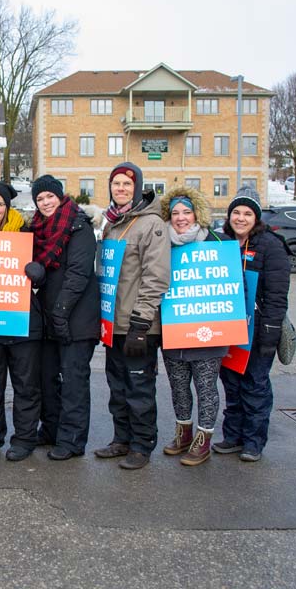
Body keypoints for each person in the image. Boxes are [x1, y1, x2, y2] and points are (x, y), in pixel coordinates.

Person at [93, 162, 170, 470]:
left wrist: (141, 323)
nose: (121, 189)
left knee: (139, 389)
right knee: (118, 387)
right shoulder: (113, 222)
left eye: (127, 184)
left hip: (139, 325)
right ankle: (121, 439)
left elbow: (156, 276)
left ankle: (141, 445)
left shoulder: (151, 224)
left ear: (137, 188)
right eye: (116, 184)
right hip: (115, 324)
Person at [0, 182, 45, 461]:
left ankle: (24, 438)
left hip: (22, 320)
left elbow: (43, 274)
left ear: (7, 206)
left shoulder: (25, 233)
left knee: (26, 385)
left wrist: (37, 273)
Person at [216, 187, 290, 462]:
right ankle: (233, 437)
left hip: (258, 330)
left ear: (256, 217)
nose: (241, 218)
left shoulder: (271, 245)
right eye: (236, 212)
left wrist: (271, 330)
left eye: (247, 213)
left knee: (255, 385)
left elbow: (277, 293)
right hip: (229, 328)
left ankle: (254, 441)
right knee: (232, 384)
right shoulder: (222, 242)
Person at [159, 187, 231, 466]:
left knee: (205, 387)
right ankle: (183, 432)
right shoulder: (162, 244)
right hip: (174, 329)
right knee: (178, 387)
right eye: (175, 212)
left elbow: (229, 284)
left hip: (207, 329)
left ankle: (204, 438)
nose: (180, 218)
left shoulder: (217, 241)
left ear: (197, 213)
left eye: (186, 212)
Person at [30, 176, 100, 461]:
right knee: (48, 379)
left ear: (60, 197)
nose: (45, 203)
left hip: (77, 318)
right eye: (40, 199)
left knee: (73, 381)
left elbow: (78, 274)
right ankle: (52, 428)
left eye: (49, 197)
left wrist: (60, 312)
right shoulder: (37, 230)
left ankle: (72, 440)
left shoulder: (78, 227)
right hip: (49, 317)